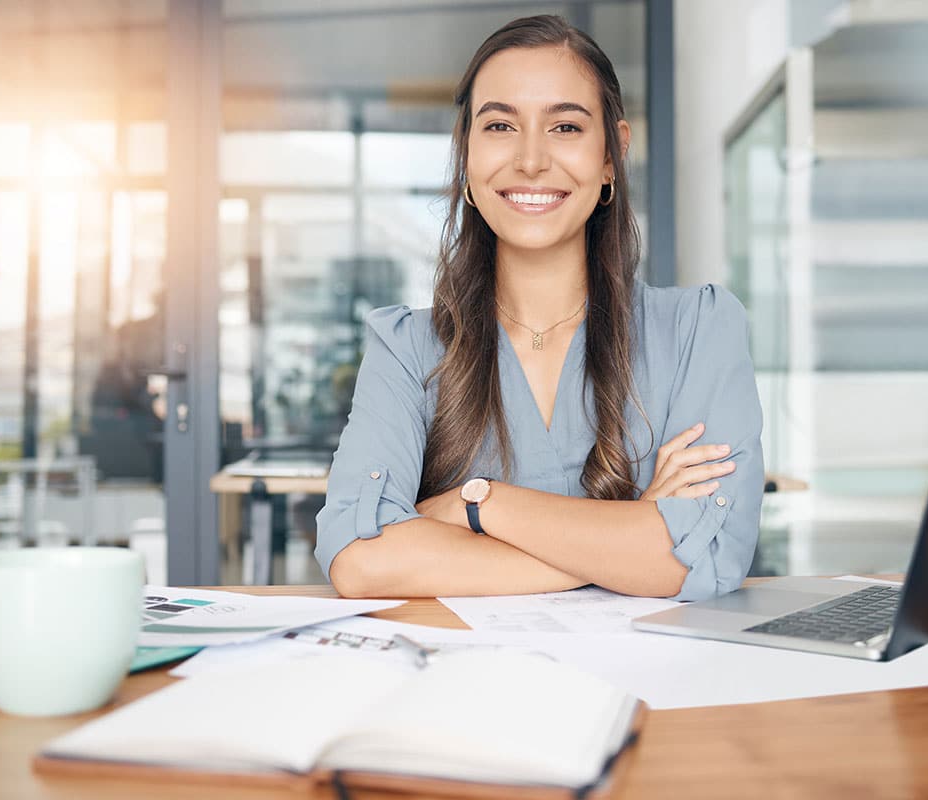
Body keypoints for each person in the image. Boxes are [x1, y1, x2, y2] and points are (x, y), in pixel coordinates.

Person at [316, 15, 763, 601]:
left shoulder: (700, 330)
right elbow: (360, 560)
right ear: (467, 156)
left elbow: (706, 557)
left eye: (566, 128)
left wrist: (476, 506)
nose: (530, 160)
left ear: (612, 155)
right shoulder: (406, 349)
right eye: (500, 125)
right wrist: (625, 545)